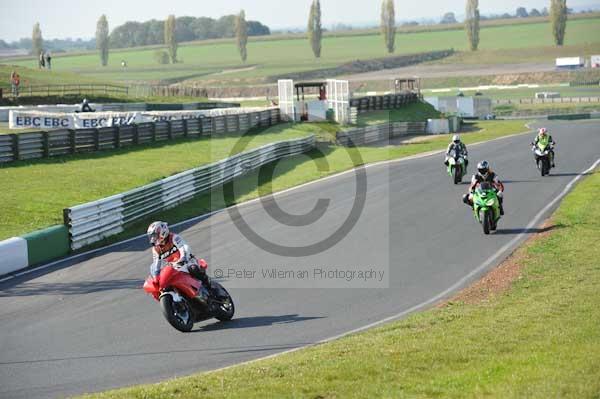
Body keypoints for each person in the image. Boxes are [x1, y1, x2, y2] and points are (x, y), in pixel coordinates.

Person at [147, 221, 214, 293]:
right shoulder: (155, 249)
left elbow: (183, 247)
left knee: (193, 268)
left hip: (186, 260)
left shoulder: (174, 238)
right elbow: (156, 262)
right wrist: (156, 273)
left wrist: (183, 258)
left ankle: (209, 286)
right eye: (152, 236)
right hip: (173, 267)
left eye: (155, 235)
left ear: (162, 232)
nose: (153, 238)